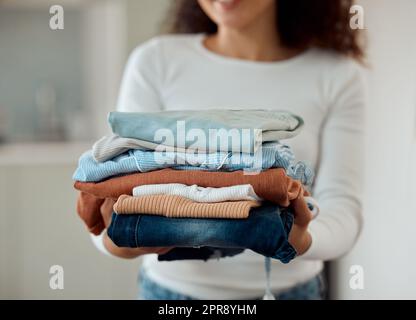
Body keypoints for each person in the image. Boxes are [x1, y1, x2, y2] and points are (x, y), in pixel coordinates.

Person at [92, 0, 365, 300]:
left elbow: (343, 208)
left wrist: (300, 239)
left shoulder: (338, 75)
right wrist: (126, 238)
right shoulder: (155, 61)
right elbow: (111, 192)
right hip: (170, 296)